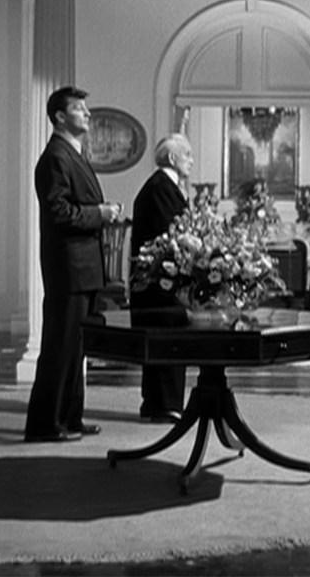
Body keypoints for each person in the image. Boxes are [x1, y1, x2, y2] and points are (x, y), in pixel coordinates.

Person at [24, 86, 122, 442]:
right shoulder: (55, 157)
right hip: (68, 269)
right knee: (60, 349)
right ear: (60, 117)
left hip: (84, 268)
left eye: (86, 108)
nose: (88, 113)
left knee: (76, 350)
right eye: (79, 108)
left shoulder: (72, 154)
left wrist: (101, 212)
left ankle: (70, 418)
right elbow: (59, 212)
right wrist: (100, 213)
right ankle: (46, 425)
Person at [129, 133, 194, 422]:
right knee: (167, 342)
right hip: (159, 285)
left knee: (163, 343)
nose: (191, 160)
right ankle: (164, 404)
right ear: (171, 157)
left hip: (160, 283)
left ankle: (158, 403)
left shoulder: (164, 186)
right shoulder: (160, 188)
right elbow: (172, 236)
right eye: (187, 154)